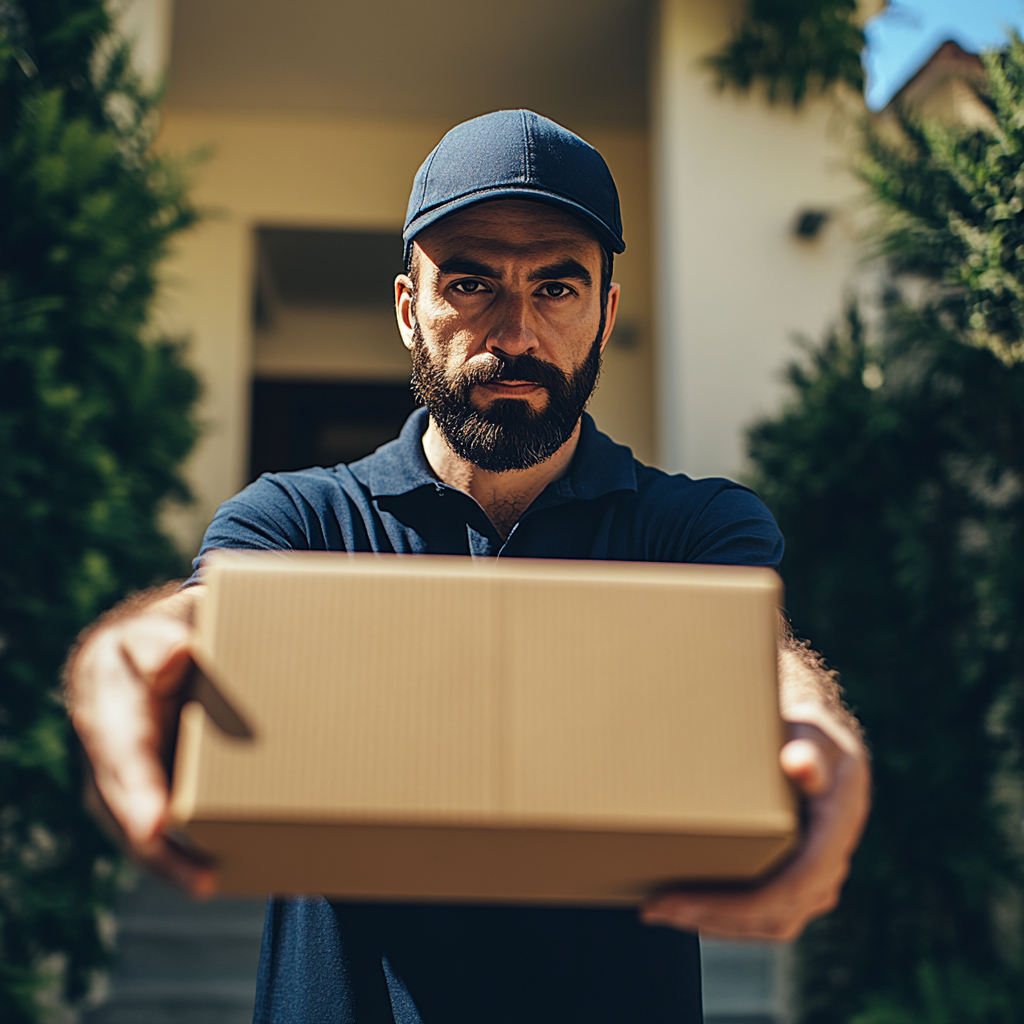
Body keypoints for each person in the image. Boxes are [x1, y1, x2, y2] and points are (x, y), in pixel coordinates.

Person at [67, 110, 870, 1024]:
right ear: (411, 309)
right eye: (471, 282)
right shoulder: (300, 519)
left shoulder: (693, 529)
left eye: (559, 287)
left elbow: (757, 657)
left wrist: (811, 716)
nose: (515, 332)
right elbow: (206, 619)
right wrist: (123, 648)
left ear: (606, 313)